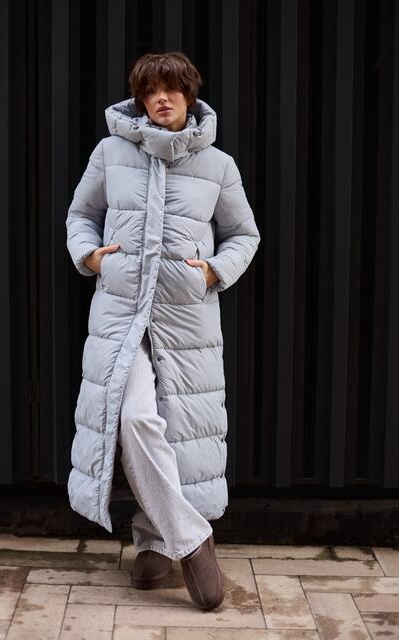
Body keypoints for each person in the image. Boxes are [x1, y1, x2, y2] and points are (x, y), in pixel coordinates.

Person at [65, 51, 260, 611]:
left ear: (189, 96)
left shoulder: (218, 165)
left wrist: (214, 272)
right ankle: (192, 540)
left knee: (177, 427)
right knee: (134, 418)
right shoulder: (110, 152)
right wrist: (91, 257)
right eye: (151, 91)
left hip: (186, 319)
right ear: (141, 99)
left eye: (171, 89)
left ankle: (152, 541)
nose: (161, 99)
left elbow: (244, 234)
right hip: (121, 316)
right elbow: (80, 215)